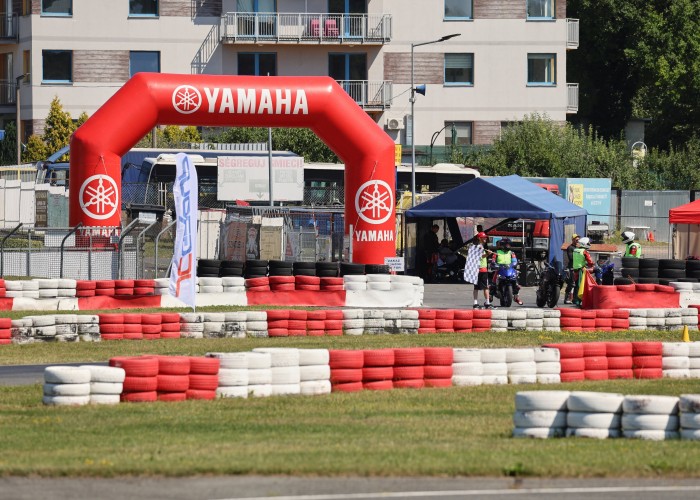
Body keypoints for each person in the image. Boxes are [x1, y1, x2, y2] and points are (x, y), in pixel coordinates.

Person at [492, 238, 523, 305]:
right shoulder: (496, 253)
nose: (509, 246)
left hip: (509, 268)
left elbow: (515, 260)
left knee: (516, 280)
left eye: (509, 245)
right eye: (507, 245)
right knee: (493, 281)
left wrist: (514, 264)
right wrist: (495, 264)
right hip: (500, 269)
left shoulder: (512, 253)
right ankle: (490, 295)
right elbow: (493, 261)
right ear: (503, 245)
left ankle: (516, 296)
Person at [467, 232, 493, 309]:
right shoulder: (479, 247)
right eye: (484, 237)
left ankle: (476, 303)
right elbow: (480, 256)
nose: (485, 238)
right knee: (485, 287)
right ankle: (487, 303)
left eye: (485, 237)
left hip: (480, 269)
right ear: (479, 238)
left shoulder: (479, 246)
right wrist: (488, 254)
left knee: (477, 287)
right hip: (481, 269)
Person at [572, 236, 595, 306]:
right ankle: (578, 301)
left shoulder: (575, 250)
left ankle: (575, 299)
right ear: (585, 244)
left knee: (576, 286)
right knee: (581, 286)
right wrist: (593, 265)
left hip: (575, 270)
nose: (589, 244)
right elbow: (590, 262)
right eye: (588, 243)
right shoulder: (584, 252)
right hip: (581, 270)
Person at [564, 233, 580, 304]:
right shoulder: (570, 248)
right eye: (576, 239)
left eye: (578, 239)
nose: (577, 240)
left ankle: (575, 299)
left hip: (577, 268)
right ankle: (566, 298)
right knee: (571, 283)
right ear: (573, 239)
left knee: (577, 284)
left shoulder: (578, 248)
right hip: (571, 268)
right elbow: (571, 258)